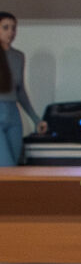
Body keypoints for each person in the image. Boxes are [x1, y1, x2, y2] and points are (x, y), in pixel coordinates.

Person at [0, 12, 41, 165]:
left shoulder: (18, 56)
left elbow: (20, 91)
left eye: (13, 28)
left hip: (13, 114)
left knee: (16, 162)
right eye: (5, 28)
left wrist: (36, 119)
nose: (11, 32)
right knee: (6, 165)